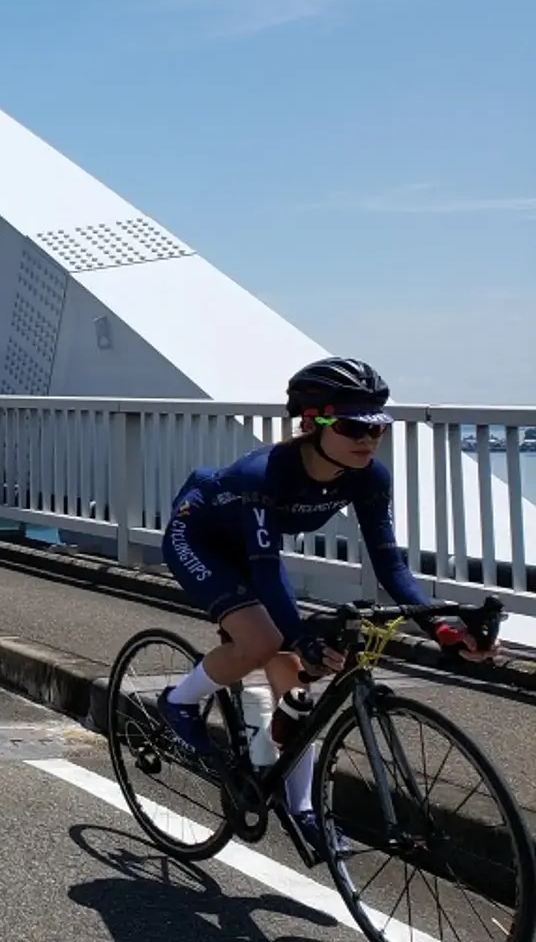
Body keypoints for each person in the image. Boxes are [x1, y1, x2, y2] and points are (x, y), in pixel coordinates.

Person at [156, 355, 498, 854]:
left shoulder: (368, 478)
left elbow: (391, 565)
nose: (367, 440)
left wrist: (441, 628)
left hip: (254, 551)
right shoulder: (264, 474)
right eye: (352, 427)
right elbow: (267, 569)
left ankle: (302, 811)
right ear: (311, 423)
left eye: (376, 430)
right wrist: (301, 638)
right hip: (200, 536)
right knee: (265, 639)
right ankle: (177, 702)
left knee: (297, 690)